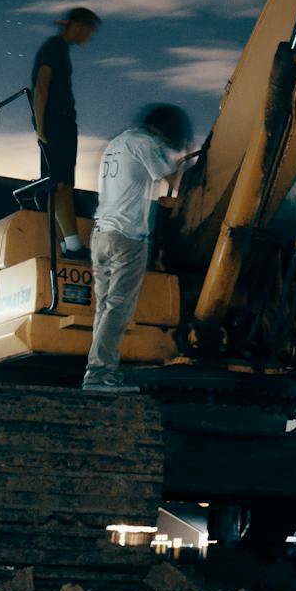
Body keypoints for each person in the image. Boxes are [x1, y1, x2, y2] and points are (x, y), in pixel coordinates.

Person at [83, 103, 193, 393]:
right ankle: (99, 374)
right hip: (127, 238)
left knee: (105, 308)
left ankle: (99, 370)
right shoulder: (145, 143)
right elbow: (174, 178)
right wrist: (191, 163)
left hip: (101, 235)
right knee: (119, 308)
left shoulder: (118, 143)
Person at [31, 6, 100, 259]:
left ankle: (63, 244)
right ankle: (73, 245)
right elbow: (42, 84)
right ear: (78, 25)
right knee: (63, 184)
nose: (89, 37)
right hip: (58, 123)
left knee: (54, 185)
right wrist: (41, 127)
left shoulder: (57, 49)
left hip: (55, 122)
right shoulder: (56, 47)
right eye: (90, 31)